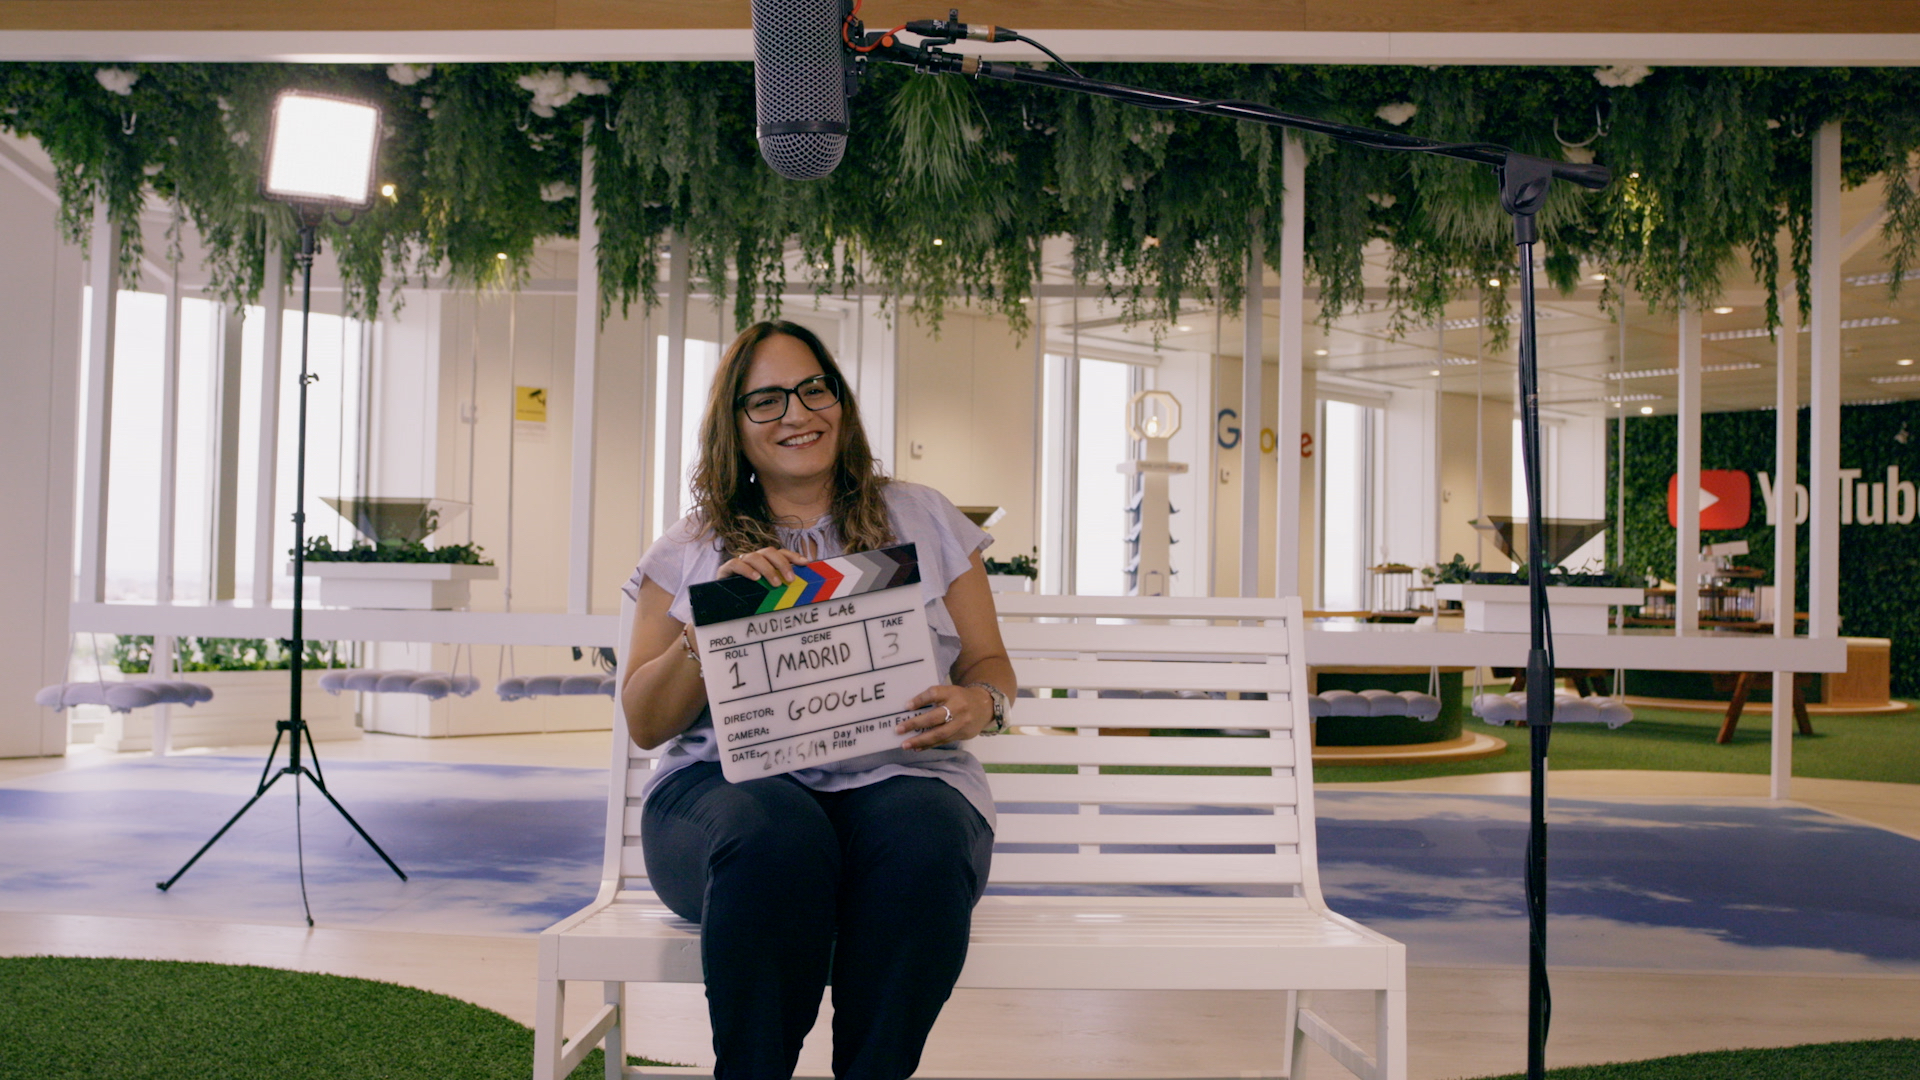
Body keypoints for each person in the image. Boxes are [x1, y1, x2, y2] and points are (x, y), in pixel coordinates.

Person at [619, 320, 1017, 1080]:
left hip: (900, 775)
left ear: (840, 399)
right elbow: (644, 722)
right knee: (778, 834)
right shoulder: (689, 548)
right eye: (765, 401)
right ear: (732, 425)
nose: (797, 415)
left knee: (926, 838)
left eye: (812, 389)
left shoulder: (924, 517)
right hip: (727, 796)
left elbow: (990, 661)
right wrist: (712, 623)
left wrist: (982, 704)